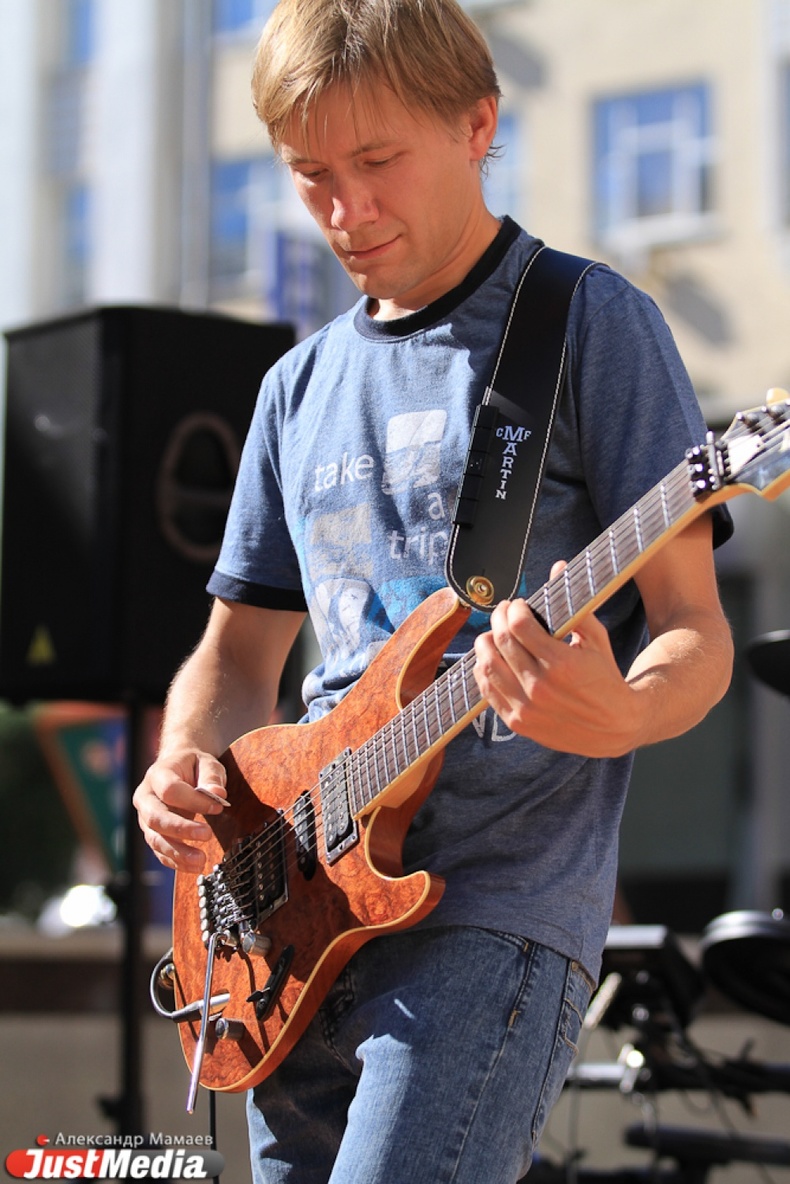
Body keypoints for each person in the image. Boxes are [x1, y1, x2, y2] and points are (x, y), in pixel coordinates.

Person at [133, 1, 734, 1180]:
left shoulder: (587, 323)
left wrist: (622, 710)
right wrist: (186, 765)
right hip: (281, 925)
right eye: (310, 174)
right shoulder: (296, 388)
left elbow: (693, 627)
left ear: (477, 125)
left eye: (375, 161)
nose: (345, 210)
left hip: (491, 913)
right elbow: (238, 658)